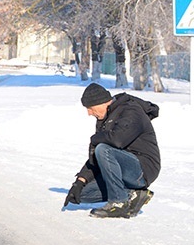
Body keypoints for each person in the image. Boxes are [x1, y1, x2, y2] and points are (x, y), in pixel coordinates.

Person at [62, 83, 160, 218]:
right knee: (83, 194)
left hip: (142, 169)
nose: (89, 113)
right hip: (121, 168)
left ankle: (119, 202)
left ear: (102, 103)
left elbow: (117, 140)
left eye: (90, 108)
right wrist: (80, 181)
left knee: (104, 149)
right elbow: (97, 157)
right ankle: (134, 195)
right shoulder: (105, 118)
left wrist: (95, 139)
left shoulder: (131, 111)